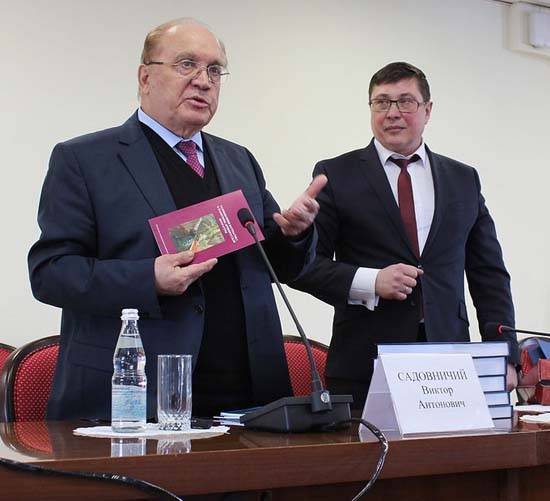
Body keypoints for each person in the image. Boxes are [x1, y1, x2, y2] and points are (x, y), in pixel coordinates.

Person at [28, 18, 326, 421]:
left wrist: (293, 234)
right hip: (139, 391)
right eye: (187, 64)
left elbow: (279, 266)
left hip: (249, 395)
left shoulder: (239, 160)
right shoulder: (84, 159)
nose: (203, 81)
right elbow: (50, 273)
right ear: (145, 77)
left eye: (214, 70)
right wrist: (147, 279)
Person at [291, 61, 518, 409]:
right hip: (364, 363)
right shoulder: (336, 174)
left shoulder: (463, 179)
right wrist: (371, 281)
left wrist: (504, 355)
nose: (392, 112)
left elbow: (489, 275)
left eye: (405, 101)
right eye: (382, 102)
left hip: (450, 362)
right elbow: (307, 266)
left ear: (428, 110)